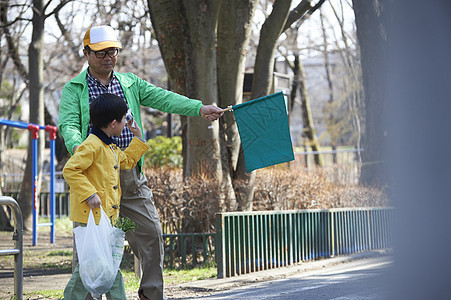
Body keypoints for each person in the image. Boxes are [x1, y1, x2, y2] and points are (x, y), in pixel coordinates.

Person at [58, 25, 224, 300]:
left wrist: (199, 108)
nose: (108, 57)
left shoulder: (130, 82)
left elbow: (163, 98)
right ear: (86, 53)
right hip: (96, 182)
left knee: (149, 234)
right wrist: (82, 148)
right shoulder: (74, 89)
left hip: (130, 180)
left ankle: (150, 295)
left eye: (112, 51)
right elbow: (69, 125)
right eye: (100, 53)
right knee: (92, 249)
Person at [62, 93, 150, 299]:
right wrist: (89, 193)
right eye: (123, 120)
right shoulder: (91, 145)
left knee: (107, 265)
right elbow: (71, 170)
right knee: (92, 267)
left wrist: (138, 138)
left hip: (105, 218)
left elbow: (127, 162)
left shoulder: (109, 146)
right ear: (113, 123)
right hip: (90, 217)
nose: (125, 124)